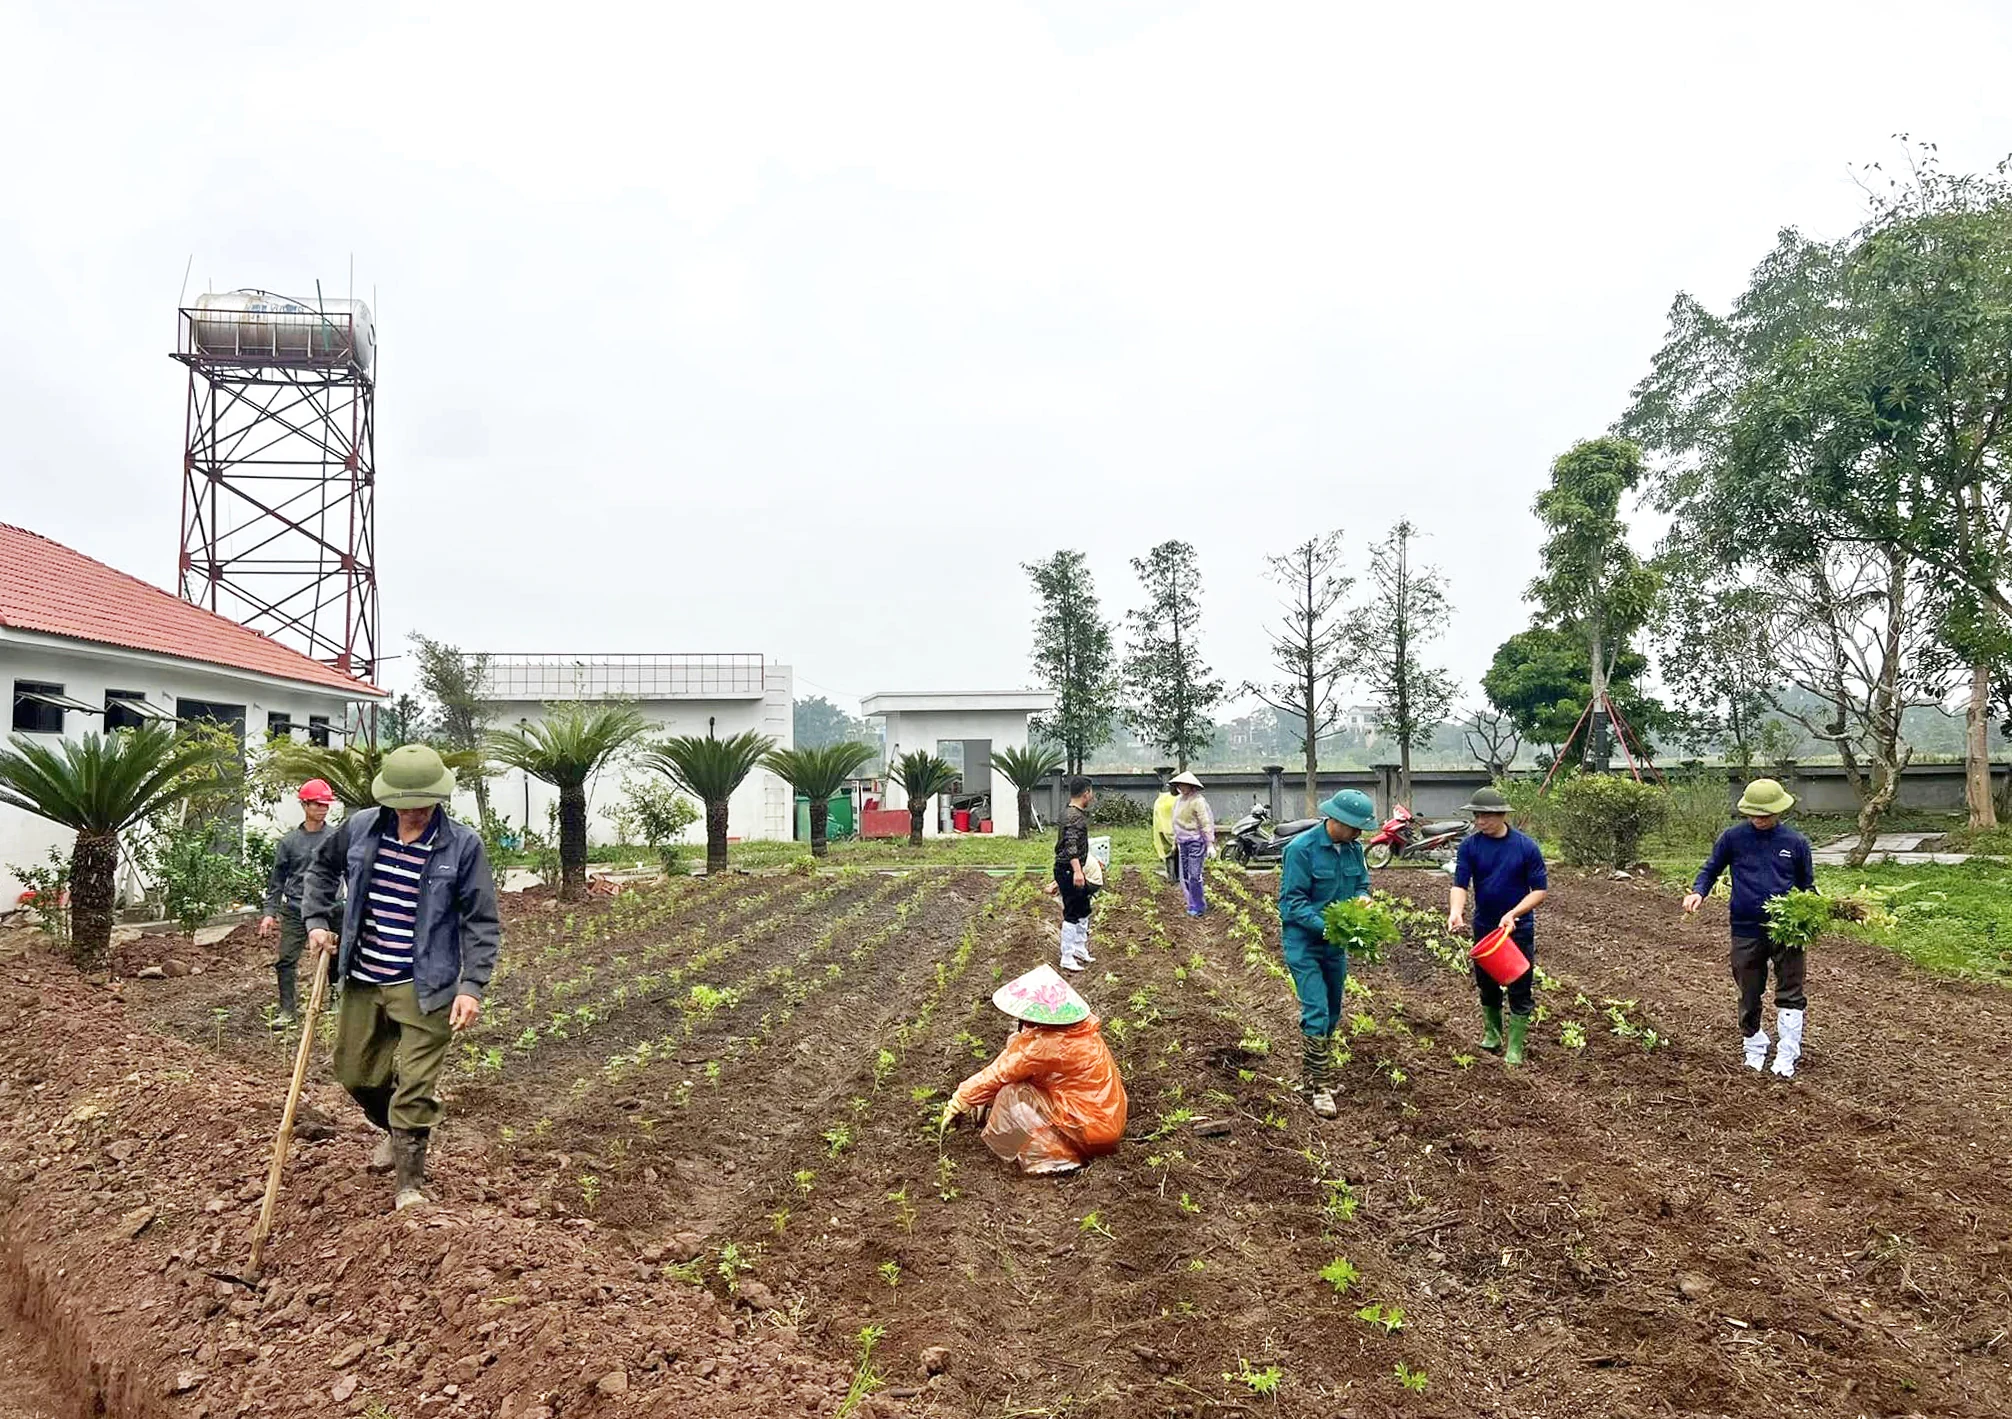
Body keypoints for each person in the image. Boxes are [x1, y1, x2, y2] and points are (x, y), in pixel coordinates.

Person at [302, 745, 501, 1210]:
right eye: (402, 802)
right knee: (355, 1073)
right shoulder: (361, 827)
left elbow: (481, 921)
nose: (411, 812)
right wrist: (316, 921)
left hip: (425, 984)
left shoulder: (462, 846)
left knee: (414, 1083)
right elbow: (322, 870)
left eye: (421, 803)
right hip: (363, 975)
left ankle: (409, 1185)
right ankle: (393, 1126)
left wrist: (472, 987)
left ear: (437, 799)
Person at [1683, 777, 1815, 1078]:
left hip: (1786, 930)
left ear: (1778, 812)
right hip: (1745, 927)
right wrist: (1698, 891)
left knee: (1791, 991)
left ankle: (1787, 1052)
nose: (1759, 819)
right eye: (1754, 814)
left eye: (1765, 815)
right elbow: (1711, 868)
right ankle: (1754, 1043)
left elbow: (1807, 885)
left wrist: (1815, 910)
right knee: (1748, 990)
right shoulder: (1733, 838)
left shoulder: (1795, 843)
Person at [941, 963, 1127, 1174]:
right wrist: (981, 1095)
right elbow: (1015, 1055)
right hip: (1104, 1119)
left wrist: (960, 1101)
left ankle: (1059, 1161)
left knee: (1013, 1094)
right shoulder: (1077, 1033)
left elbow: (1003, 1072)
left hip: (1090, 1126)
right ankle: (1060, 1148)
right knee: (1015, 1047)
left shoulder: (1049, 1045)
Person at [1276, 789, 1376, 1118]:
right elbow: (1292, 904)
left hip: (1336, 943)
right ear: (1336, 820)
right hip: (1304, 942)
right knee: (1317, 1010)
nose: (1359, 833)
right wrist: (1327, 928)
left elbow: (1362, 883)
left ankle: (1312, 1074)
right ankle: (1320, 1087)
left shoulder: (1353, 849)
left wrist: (1363, 899)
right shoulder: (1300, 850)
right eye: (1355, 827)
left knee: (1333, 1011)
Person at [1447, 787, 1548, 1067]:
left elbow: (1540, 891)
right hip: (1485, 927)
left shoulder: (1526, 847)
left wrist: (1514, 913)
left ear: (1502, 815)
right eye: (1477, 816)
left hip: (1517, 928)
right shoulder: (1470, 846)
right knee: (1487, 982)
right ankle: (1492, 1034)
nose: (1479, 821)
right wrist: (1456, 912)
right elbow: (1460, 884)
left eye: (1485, 816)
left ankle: (1514, 1047)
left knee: (1519, 984)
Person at [257, 777, 337, 1021]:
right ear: (305, 805)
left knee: (335, 953)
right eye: (317, 804)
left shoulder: (335, 838)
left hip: (329, 907)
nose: (322, 809)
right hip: (295, 909)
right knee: (286, 960)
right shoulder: (289, 842)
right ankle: (287, 1010)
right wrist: (269, 913)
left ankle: (335, 1000)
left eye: (326, 805)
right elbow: (277, 880)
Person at [1050, 775, 1097, 973]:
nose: (1092, 796)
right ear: (1086, 793)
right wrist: (1078, 871)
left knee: (1083, 908)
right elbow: (1070, 846)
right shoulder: (1073, 817)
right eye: (1091, 793)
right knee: (1071, 912)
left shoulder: (1071, 813)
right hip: (1069, 869)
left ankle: (1079, 948)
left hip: (1073, 868)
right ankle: (1067, 956)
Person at [1169, 771, 1214, 916]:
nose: (1181, 787)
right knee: (1186, 875)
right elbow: (1175, 822)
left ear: (1190, 785)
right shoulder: (1179, 801)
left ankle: (1199, 906)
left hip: (1195, 841)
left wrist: (1209, 844)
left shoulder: (1198, 801)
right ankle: (1192, 903)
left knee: (1194, 875)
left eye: (1184, 785)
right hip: (1182, 842)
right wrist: (1175, 840)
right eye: (1179, 785)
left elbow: (1205, 822)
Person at [1151, 773, 1178, 883]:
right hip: (1169, 830)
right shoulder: (1167, 799)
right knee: (1173, 854)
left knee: (1171, 855)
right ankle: (1174, 877)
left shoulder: (1162, 800)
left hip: (1168, 830)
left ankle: (1173, 877)